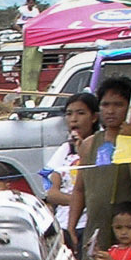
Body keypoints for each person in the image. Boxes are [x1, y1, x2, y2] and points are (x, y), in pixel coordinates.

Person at [68, 77, 131, 260]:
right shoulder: (89, 144)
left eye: (118, 105)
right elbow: (80, 189)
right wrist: (72, 225)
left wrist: (130, 144)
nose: (110, 111)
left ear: (130, 107)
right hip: (98, 233)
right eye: (105, 105)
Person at [43, 92, 99, 248]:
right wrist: (78, 201)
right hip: (64, 223)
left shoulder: (101, 146)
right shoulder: (65, 149)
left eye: (80, 113)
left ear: (94, 117)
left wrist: (83, 152)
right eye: (69, 114)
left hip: (90, 223)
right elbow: (52, 193)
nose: (74, 119)